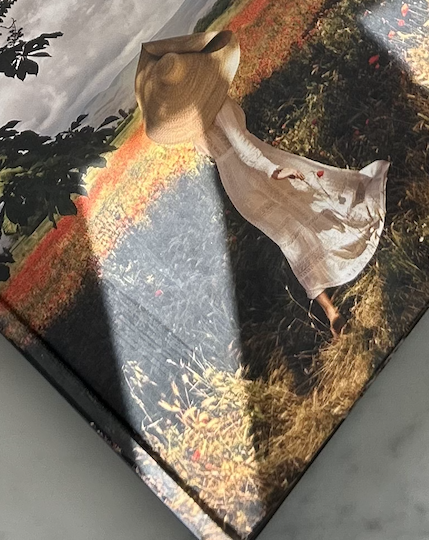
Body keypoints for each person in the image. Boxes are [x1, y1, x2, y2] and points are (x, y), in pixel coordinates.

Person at [135, 29, 389, 332]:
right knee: (311, 201)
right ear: (194, 74)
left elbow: (219, 154)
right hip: (256, 168)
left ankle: (331, 312)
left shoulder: (190, 124)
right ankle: (348, 248)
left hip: (236, 187)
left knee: (289, 237)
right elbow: (242, 145)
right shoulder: (219, 107)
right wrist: (274, 169)